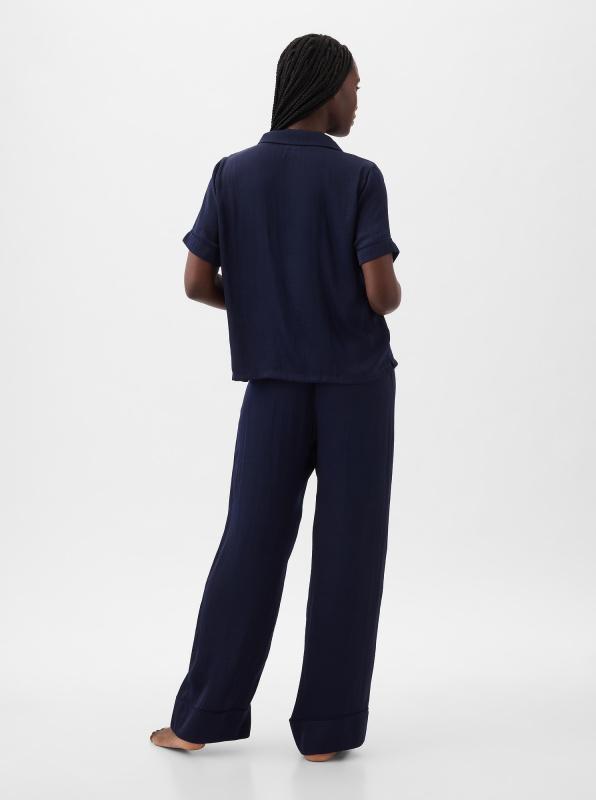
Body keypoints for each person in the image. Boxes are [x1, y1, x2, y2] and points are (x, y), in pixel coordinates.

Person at [150, 33, 401, 762]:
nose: (357, 101)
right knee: (350, 551)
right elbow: (380, 294)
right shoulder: (359, 177)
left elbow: (196, 282)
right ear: (326, 89)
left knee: (251, 542)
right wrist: (385, 287)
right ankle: (327, 732)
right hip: (357, 386)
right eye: (354, 87)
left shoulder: (233, 173)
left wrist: (264, 302)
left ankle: (199, 719)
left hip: (273, 388)